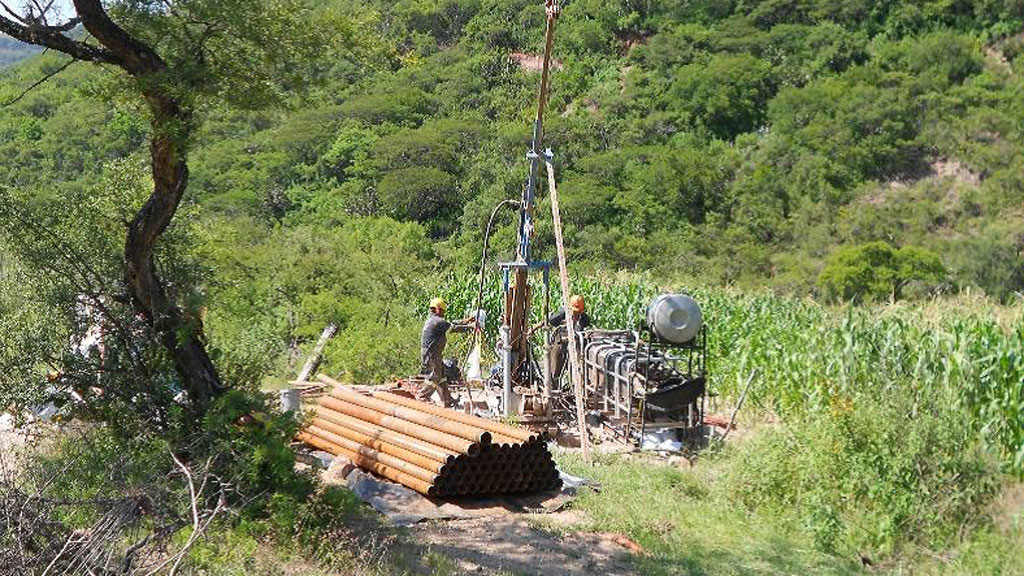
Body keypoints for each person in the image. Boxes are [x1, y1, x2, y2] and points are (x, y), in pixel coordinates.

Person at [420, 297, 474, 406]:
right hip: (432, 355)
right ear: (438, 309)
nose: (444, 313)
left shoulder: (433, 320)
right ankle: (423, 396)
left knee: (442, 377)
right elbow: (453, 328)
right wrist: (470, 327)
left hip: (433, 354)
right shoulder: (438, 321)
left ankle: (447, 400)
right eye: (443, 310)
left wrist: (466, 321)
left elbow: (450, 323)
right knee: (435, 377)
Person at [531, 295, 591, 384]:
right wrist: (533, 329)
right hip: (560, 342)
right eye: (575, 312)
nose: (577, 314)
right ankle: (554, 387)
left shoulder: (584, 319)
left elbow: (588, 330)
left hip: (575, 344)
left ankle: (576, 387)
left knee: (577, 368)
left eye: (579, 312)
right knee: (555, 369)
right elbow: (547, 321)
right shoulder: (562, 314)